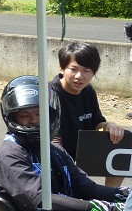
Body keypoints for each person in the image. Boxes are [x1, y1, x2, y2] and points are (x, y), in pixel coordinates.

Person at [0, 75, 130, 211]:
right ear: (12, 117)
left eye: (39, 114)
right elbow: (43, 200)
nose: (34, 120)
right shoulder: (10, 154)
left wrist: (125, 195)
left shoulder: (53, 150)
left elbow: (87, 188)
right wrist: (108, 209)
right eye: (25, 116)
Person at [49, 41, 125, 187]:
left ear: (94, 72)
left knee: (121, 140)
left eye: (86, 71)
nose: (79, 76)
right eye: (73, 69)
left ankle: (111, 194)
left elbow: (97, 124)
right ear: (62, 68)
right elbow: (54, 143)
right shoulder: (50, 93)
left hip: (82, 151)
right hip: (54, 156)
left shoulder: (88, 90)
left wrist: (109, 125)